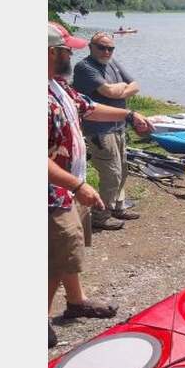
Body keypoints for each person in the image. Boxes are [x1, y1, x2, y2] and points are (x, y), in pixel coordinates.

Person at [48, 22, 153, 348]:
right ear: (51, 52)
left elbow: (89, 107)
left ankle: (76, 301)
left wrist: (129, 115)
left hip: (69, 188)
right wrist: (77, 185)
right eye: (69, 49)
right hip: (53, 194)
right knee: (54, 256)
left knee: (70, 252)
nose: (73, 55)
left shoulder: (58, 86)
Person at [72, 32, 141, 229]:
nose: (106, 51)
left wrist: (120, 88)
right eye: (102, 47)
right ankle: (100, 216)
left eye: (110, 48)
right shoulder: (85, 67)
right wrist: (119, 88)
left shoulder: (113, 63)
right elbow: (107, 92)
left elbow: (135, 85)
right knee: (111, 173)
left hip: (119, 125)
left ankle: (118, 207)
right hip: (99, 129)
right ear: (91, 47)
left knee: (123, 169)